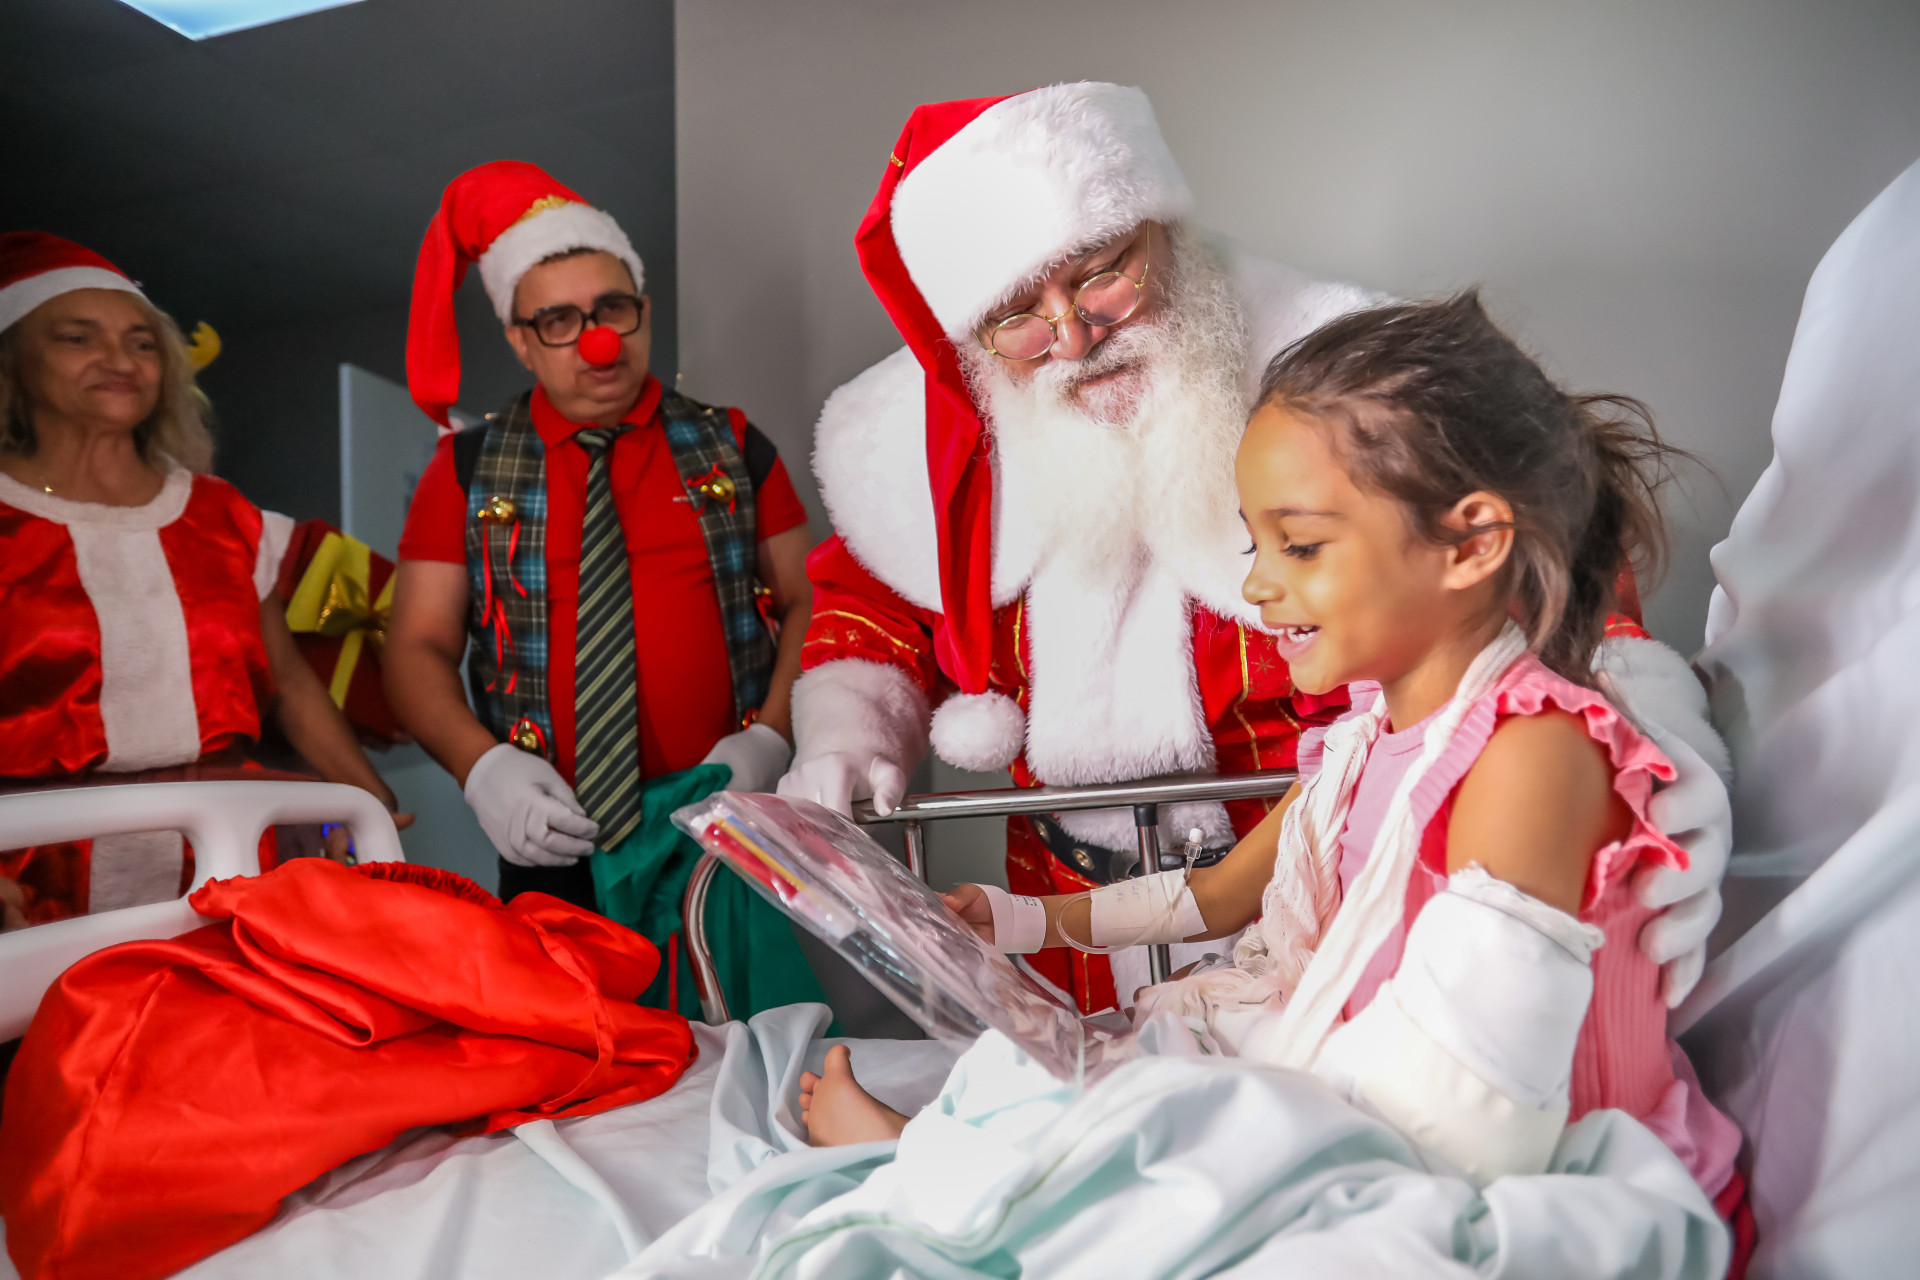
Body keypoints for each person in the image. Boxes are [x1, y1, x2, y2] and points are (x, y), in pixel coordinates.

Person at [799, 293, 1753, 1268]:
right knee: (1083, 1083)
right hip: (1388, 1100)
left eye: (1299, 545)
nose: (1257, 587)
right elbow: (1214, 892)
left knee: (1158, 1137)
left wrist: (1237, 1116)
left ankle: (958, 1177)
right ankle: (982, 1168)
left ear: (1471, 541)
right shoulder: (1371, 736)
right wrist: (1012, 923)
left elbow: (1470, 1120)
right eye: (1256, 545)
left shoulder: (1532, 752)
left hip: (1502, 1157)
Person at [779, 83, 1734, 1014]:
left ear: (1163, 231)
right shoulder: (926, 444)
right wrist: (848, 731)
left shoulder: (1335, 374)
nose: (1073, 336)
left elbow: (1536, 540)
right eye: (1016, 315)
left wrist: (1647, 736)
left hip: (1326, 880)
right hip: (1075, 918)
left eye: (1101, 271)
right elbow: (871, 604)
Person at [384, 162, 817, 1001]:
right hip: (553, 841)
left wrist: (772, 735)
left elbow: (810, 600)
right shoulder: (466, 467)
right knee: (585, 1086)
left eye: (614, 309)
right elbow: (416, 647)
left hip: (724, 826)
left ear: (643, 310)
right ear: (516, 338)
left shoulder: (732, 443)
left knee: (756, 1051)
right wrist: (482, 771)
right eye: (559, 320)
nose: (599, 341)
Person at [0, 232, 402, 925]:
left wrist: (373, 809)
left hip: (229, 849)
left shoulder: (222, 515)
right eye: (77, 338)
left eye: (143, 342)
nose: (119, 360)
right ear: (13, 360)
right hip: (38, 865)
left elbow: (290, 684)